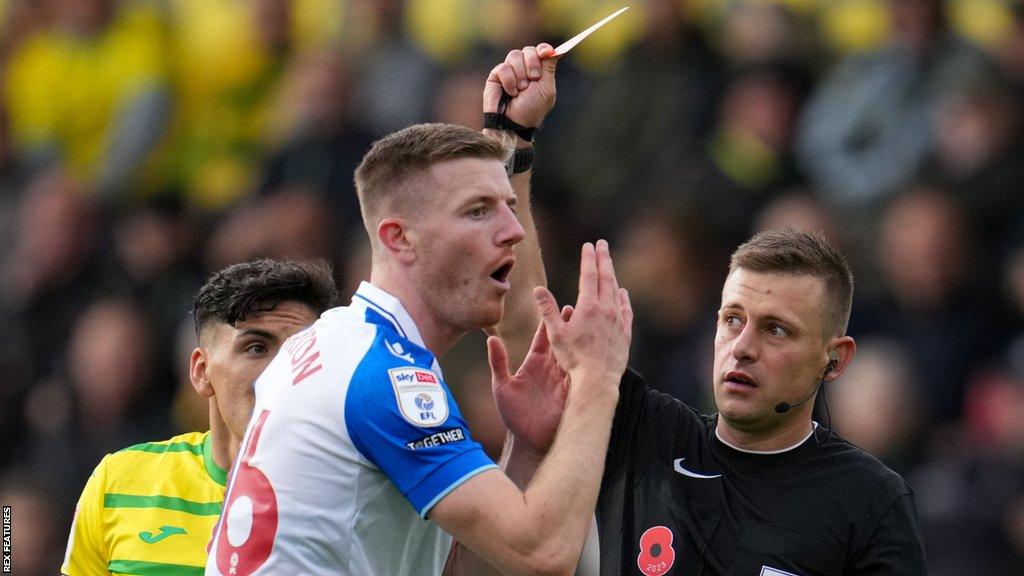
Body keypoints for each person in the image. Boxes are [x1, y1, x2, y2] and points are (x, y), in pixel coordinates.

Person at [205, 43, 633, 576]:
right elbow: (543, 554)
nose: (514, 230)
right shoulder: (384, 379)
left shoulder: (340, 344)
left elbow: (464, 568)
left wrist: (524, 447)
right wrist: (597, 376)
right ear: (400, 239)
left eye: (507, 208)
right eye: (478, 212)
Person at [501, 229, 927, 575]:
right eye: (732, 320)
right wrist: (514, 147)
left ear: (833, 361)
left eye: (776, 330)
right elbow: (528, 330)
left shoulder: (871, 502)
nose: (742, 347)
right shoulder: (646, 434)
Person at [61, 258, 338, 575]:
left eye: (299, 350)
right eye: (257, 348)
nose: (281, 371)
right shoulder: (118, 484)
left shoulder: (356, 499)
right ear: (202, 371)